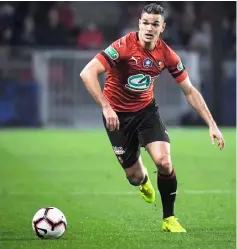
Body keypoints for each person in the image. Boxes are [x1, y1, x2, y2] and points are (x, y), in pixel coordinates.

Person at [80, 3, 225, 232]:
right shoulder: (123, 46)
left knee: (165, 163)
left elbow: (189, 90)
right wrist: (106, 107)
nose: (149, 28)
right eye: (145, 23)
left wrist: (212, 124)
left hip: (146, 112)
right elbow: (87, 72)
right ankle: (144, 181)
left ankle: (169, 219)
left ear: (162, 27)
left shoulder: (166, 54)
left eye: (154, 24)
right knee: (135, 176)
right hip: (116, 116)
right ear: (139, 23)